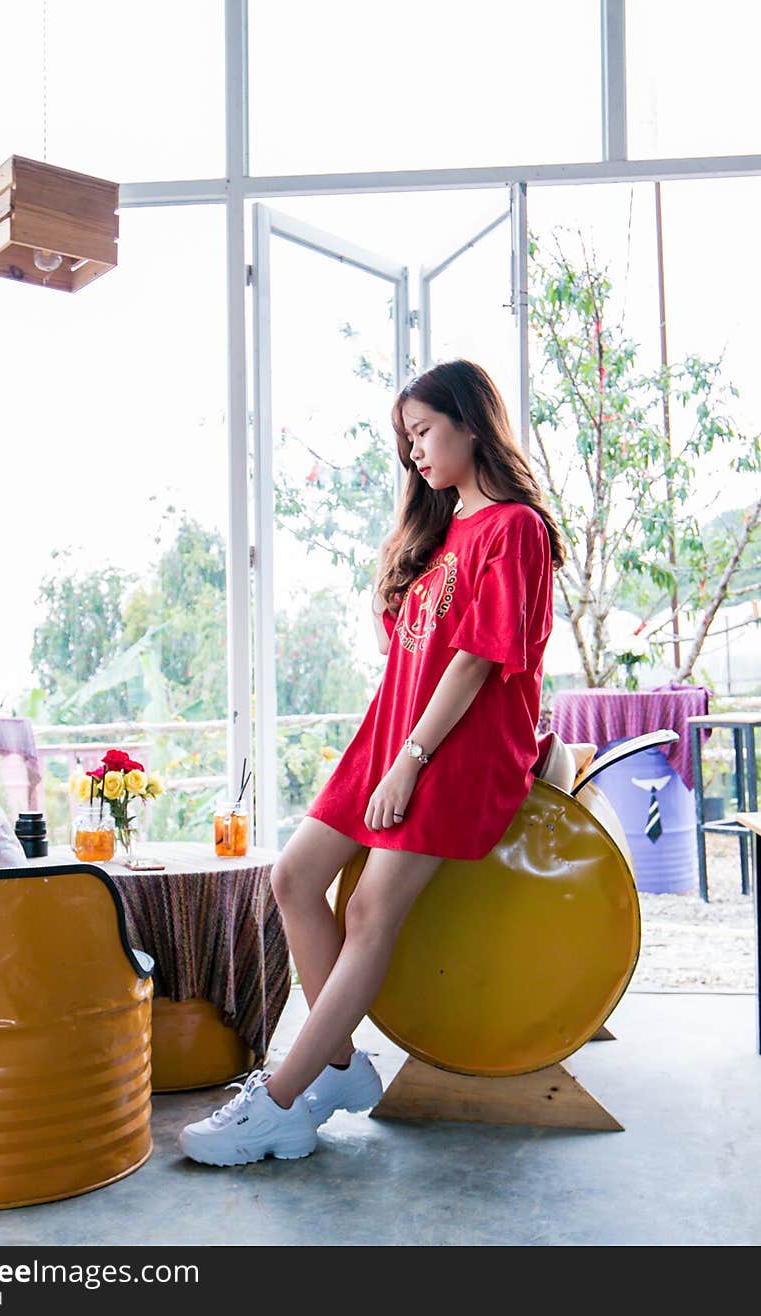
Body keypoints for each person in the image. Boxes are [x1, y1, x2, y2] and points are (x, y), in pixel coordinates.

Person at [178, 358, 566, 1166]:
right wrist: (391, 752)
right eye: (406, 438)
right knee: (292, 878)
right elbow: (411, 661)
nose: (414, 452)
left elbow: (474, 663)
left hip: (456, 749)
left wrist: (413, 760)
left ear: (469, 421)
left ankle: (282, 1101)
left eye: (423, 431)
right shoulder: (441, 534)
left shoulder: (515, 528)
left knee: (367, 914)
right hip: (391, 737)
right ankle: (344, 1068)